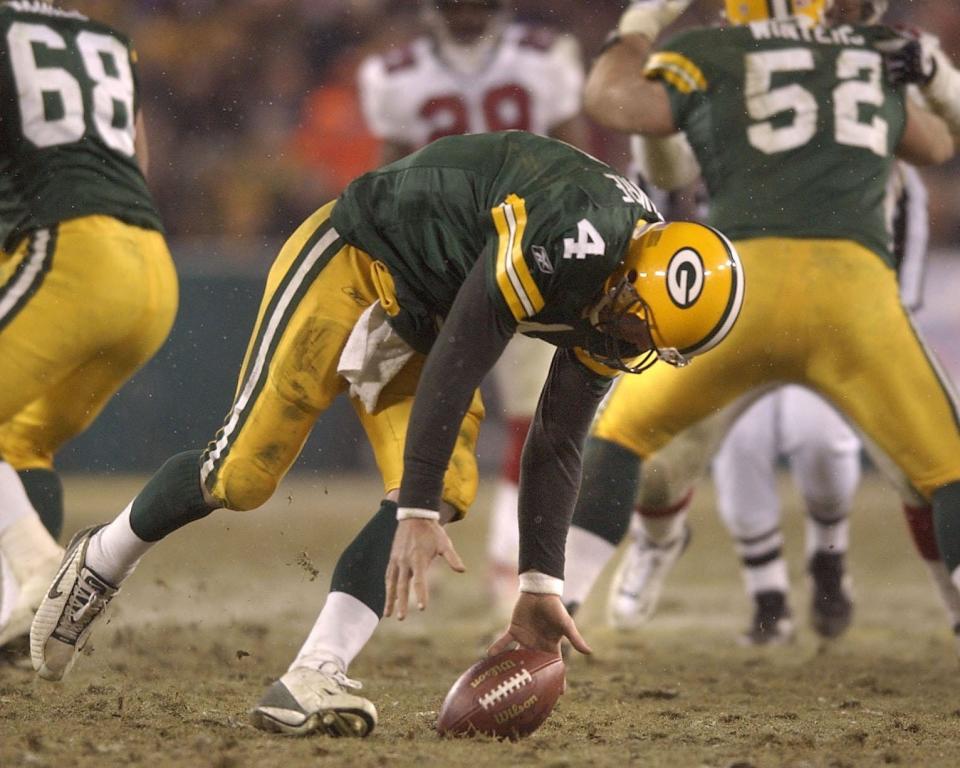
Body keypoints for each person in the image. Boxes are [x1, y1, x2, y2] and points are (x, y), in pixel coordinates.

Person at [29, 131, 745, 738]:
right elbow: (466, 352)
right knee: (242, 474)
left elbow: (558, 439)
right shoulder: (572, 232)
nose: (630, 338)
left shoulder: (633, 302)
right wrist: (414, 507)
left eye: (650, 338)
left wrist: (538, 583)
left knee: (448, 486)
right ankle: (103, 557)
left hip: (428, 310)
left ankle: (315, 673)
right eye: (633, 318)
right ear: (630, 272)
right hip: (358, 255)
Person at [559, 0, 960, 653]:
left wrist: (641, 22)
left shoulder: (711, 54)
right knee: (946, 467)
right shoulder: (867, 52)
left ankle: (551, 610)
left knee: (621, 438)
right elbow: (938, 142)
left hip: (739, 288)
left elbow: (614, 103)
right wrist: (935, 76)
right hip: (851, 290)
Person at [357, 0, 589, 613]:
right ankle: (462, 544)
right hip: (478, 257)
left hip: (511, 255)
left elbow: (579, 164)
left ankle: (505, 559)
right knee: (459, 405)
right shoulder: (535, 56)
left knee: (526, 416)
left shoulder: (405, 69)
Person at [0, 1, 177, 653]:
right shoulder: (107, 41)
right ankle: (20, 623)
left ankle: (39, 567)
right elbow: (137, 158)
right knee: (20, 440)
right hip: (152, 266)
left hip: (72, 257)